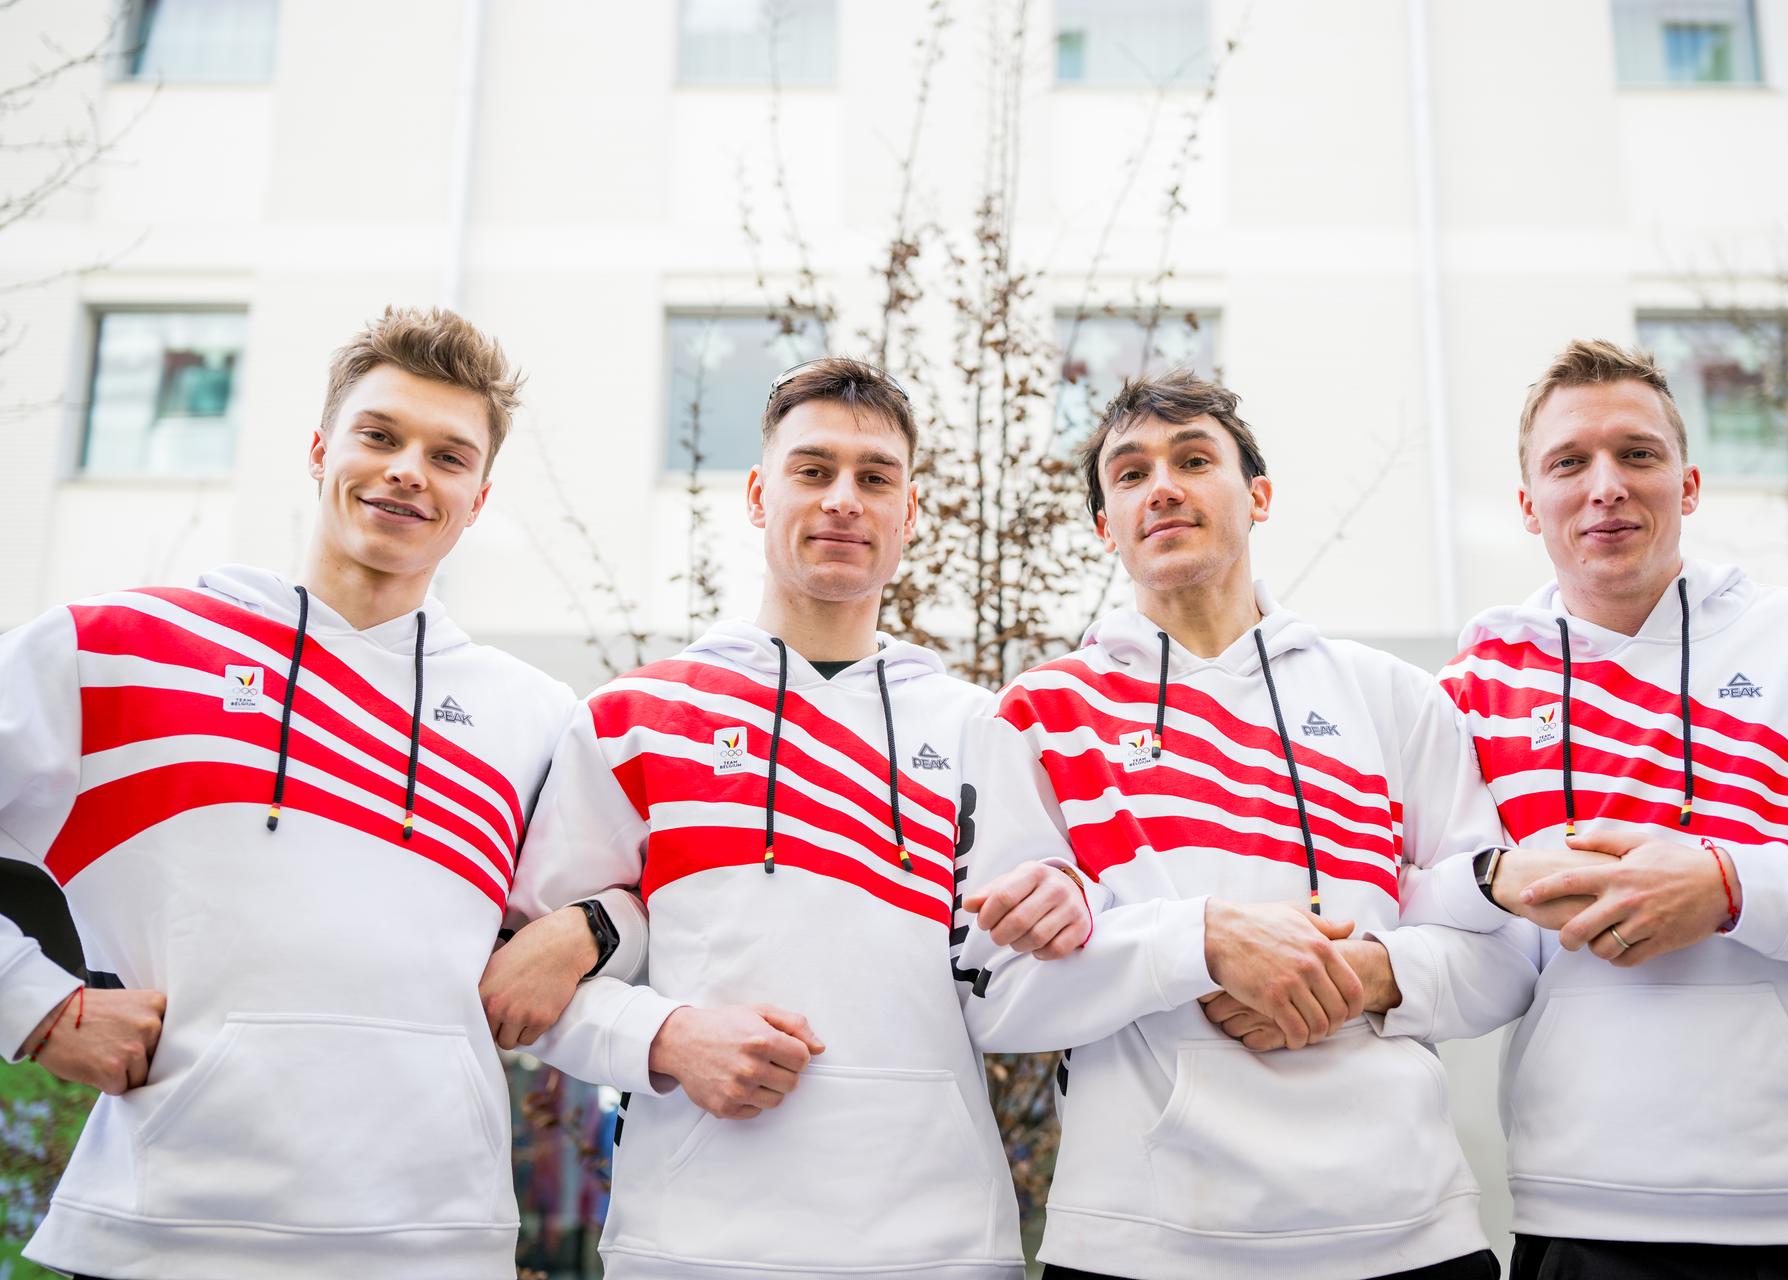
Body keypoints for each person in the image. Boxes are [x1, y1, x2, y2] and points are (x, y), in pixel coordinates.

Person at [0, 307, 633, 1280]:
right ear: (318, 451)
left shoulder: (539, 716)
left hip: (435, 1241)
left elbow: (657, 893)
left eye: (447, 455)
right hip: (166, 1234)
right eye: (379, 435)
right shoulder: (115, 650)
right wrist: (33, 1004)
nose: (408, 470)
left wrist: (592, 926)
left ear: (478, 497)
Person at [481, 358, 1107, 1279]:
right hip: (688, 1247)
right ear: (757, 494)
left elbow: (1029, 973)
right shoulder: (629, 720)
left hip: (939, 1249)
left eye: (875, 477)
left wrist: (1075, 898)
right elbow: (527, 987)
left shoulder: (981, 730)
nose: (843, 499)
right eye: (813, 470)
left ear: (910, 511)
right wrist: (663, 1037)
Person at [952, 371, 1538, 1280]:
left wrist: (1371, 975)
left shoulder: (1393, 699)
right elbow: (996, 995)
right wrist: (1203, 942)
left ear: (1258, 497)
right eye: (1131, 474)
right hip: (1142, 1247)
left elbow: (1507, 958)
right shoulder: (1038, 716)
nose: (1163, 488)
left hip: (1408, 1233)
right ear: (1106, 526)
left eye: (1194, 461)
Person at [1420, 338, 1788, 1279]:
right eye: (1569, 463)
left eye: (1637, 454)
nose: (1606, 486)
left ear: (1688, 486)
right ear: (1529, 505)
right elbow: (1426, 905)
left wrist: (1732, 887)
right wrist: (1489, 877)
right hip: (1589, 1204)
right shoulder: (1470, 692)